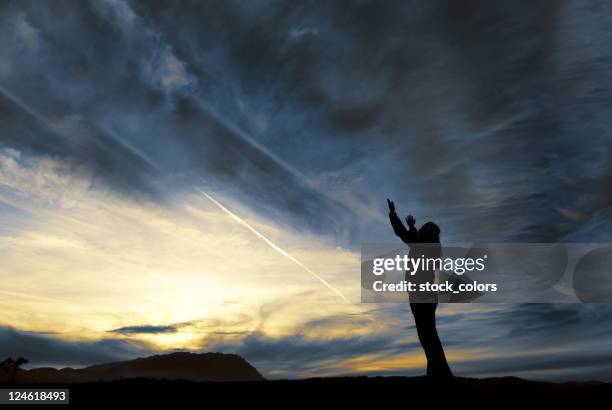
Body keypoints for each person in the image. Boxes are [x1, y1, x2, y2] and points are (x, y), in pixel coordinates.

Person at [387, 198, 453, 379]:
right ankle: (437, 372)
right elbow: (412, 239)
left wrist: (393, 214)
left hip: (421, 295)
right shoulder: (434, 247)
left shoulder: (424, 246)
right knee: (429, 334)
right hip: (427, 295)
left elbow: (403, 235)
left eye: (423, 229)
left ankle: (439, 373)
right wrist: (412, 228)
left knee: (427, 335)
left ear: (426, 233)